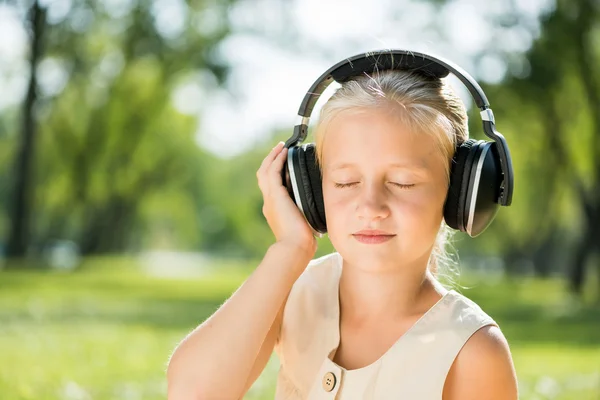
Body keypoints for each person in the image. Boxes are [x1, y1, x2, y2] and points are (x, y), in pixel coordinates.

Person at [166, 68, 519, 399]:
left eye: (402, 182)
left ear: (460, 194)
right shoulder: (292, 293)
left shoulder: (471, 350)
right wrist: (289, 249)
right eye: (345, 182)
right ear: (313, 194)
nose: (370, 205)